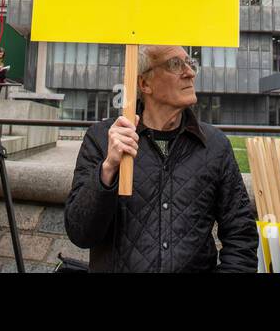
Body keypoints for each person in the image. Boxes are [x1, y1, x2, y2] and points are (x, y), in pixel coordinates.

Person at [64, 45, 258, 272]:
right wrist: (108, 169)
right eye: (175, 64)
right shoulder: (102, 139)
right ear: (145, 84)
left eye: (189, 62)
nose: (189, 72)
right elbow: (80, 233)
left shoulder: (214, 145)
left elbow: (241, 235)